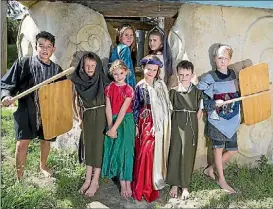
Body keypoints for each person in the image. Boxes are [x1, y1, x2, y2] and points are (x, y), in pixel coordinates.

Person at [1, 31, 64, 180]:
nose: (45, 49)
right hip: (26, 110)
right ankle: (20, 177)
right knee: (21, 144)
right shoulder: (23, 63)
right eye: (41, 45)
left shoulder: (58, 71)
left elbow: (63, 93)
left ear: (53, 49)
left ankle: (43, 166)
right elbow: (6, 83)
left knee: (46, 141)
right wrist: (6, 95)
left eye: (48, 46)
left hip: (48, 113)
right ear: (36, 47)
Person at [197, 44, 240, 194]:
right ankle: (221, 179)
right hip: (217, 120)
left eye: (225, 58)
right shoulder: (210, 78)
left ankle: (210, 169)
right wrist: (212, 103)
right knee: (218, 149)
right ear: (215, 59)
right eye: (219, 58)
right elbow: (200, 96)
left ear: (229, 60)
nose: (222, 61)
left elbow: (238, 91)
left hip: (232, 119)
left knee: (233, 150)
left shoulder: (233, 74)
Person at [132, 55, 172, 202]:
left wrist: (161, 124)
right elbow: (135, 107)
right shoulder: (140, 86)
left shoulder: (160, 85)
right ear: (143, 68)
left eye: (154, 70)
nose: (151, 72)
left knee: (152, 153)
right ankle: (141, 187)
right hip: (145, 123)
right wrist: (136, 125)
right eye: (149, 69)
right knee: (144, 152)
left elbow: (166, 106)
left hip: (159, 124)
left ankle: (149, 186)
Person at [70, 52, 110, 196]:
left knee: (98, 146)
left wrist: (110, 122)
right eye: (87, 65)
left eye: (93, 65)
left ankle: (95, 181)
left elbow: (109, 102)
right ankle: (87, 179)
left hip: (100, 115)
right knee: (88, 145)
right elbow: (75, 100)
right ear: (82, 66)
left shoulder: (102, 80)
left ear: (97, 66)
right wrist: (78, 118)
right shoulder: (79, 81)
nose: (90, 68)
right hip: (87, 115)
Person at [166, 60, 203, 199]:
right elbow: (168, 109)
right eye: (181, 74)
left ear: (192, 74)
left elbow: (201, 108)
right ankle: (174, 184)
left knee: (187, 154)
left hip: (191, 125)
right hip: (177, 123)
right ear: (177, 74)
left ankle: (185, 185)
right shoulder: (174, 92)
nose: (184, 77)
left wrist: (195, 119)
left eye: (187, 74)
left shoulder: (197, 91)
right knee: (175, 151)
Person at [101, 60, 135, 198]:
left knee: (128, 151)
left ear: (126, 72)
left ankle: (128, 183)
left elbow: (123, 111)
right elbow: (108, 108)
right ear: (112, 74)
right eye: (115, 74)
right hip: (113, 121)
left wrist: (115, 127)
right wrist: (110, 127)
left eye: (121, 73)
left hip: (126, 121)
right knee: (118, 151)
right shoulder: (109, 88)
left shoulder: (129, 89)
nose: (119, 76)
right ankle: (122, 183)